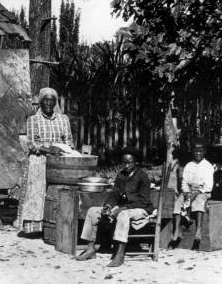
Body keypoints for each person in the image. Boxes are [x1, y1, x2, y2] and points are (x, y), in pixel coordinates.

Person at [75, 153, 153, 267]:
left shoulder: (143, 177)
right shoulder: (121, 175)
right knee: (92, 211)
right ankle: (90, 249)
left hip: (140, 208)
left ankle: (119, 255)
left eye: (129, 163)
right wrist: (108, 206)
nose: (126, 165)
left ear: (136, 162)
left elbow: (144, 201)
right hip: (123, 207)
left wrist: (123, 208)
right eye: (124, 163)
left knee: (123, 215)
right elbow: (114, 195)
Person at [16, 87, 74, 234]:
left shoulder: (63, 119)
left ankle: (54, 226)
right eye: (45, 100)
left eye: (51, 101)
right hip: (39, 159)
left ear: (55, 103)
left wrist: (66, 150)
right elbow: (32, 144)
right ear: (41, 102)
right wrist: (49, 150)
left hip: (59, 160)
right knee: (37, 192)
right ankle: (35, 228)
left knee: (56, 192)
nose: (48, 103)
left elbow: (68, 140)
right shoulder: (33, 120)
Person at [171, 138, 214, 246]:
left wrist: (198, 192)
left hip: (203, 192)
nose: (198, 153)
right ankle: (176, 230)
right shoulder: (189, 165)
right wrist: (185, 192)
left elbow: (208, 185)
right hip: (189, 191)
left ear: (204, 152)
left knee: (198, 202)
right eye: (196, 151)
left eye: (200, 151)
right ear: (192, 152)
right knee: (178, 202)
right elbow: (184, 181)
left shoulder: (207, 166)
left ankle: (198, 230)